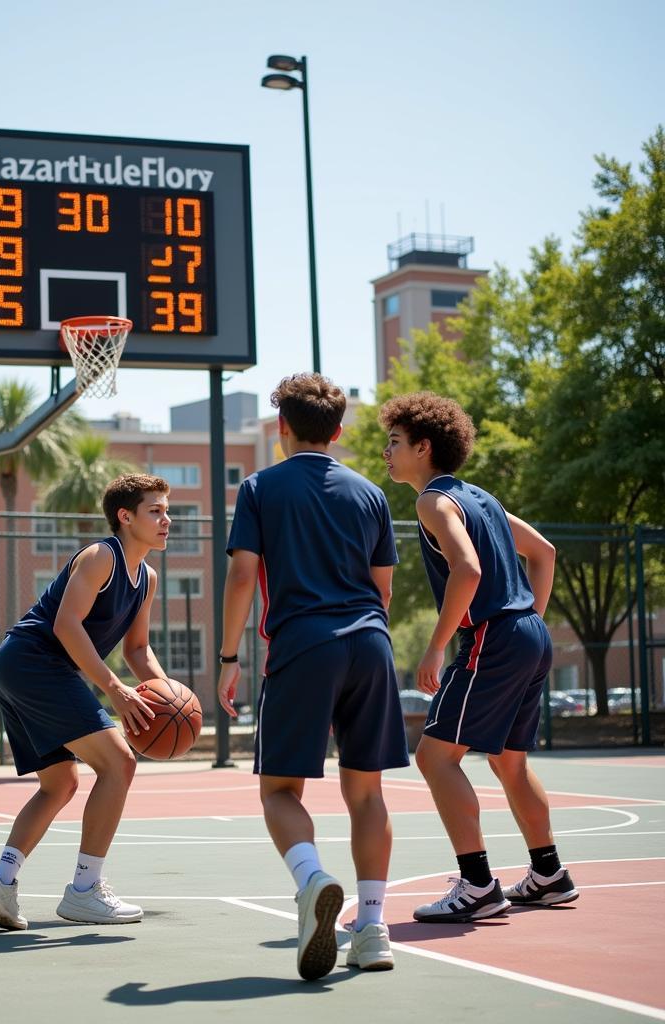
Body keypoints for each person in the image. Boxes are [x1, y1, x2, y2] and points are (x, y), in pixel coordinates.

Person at [218, 374, 408, 980]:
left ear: (282, 429)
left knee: (279, 790)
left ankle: (312, 882)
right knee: (368, 794)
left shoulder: (259, 487)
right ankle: (372, 928)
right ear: (339, 431)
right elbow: (384, 588)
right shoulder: (372, 493)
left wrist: (228, 660)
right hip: (371, 644)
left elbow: (243, 576)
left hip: (302, 645)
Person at [380, 391, 578, 923]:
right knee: (509, 762)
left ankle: (476, 886)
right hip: (526, 634)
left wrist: (436, 644)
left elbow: (466, 571)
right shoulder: (481, 498)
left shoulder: (433, 501)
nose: (386, 453)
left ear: (424, 447)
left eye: (395, 442)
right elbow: (545, 552)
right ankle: (549, 874)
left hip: (494, 636)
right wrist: (528, 617)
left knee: (433, 757)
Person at [0, 474, 171, 929]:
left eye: (166, 510)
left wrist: (168, 696)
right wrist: (115, 690)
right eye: (155, 510)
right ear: (125, 516)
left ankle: (0, 881)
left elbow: (137, 649)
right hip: (34, 662)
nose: (166, 519)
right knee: (120, 763)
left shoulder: (148, 579)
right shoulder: (102, 557)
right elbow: (66, 626)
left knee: (59, 783)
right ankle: (85, 890)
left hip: (23, 669)